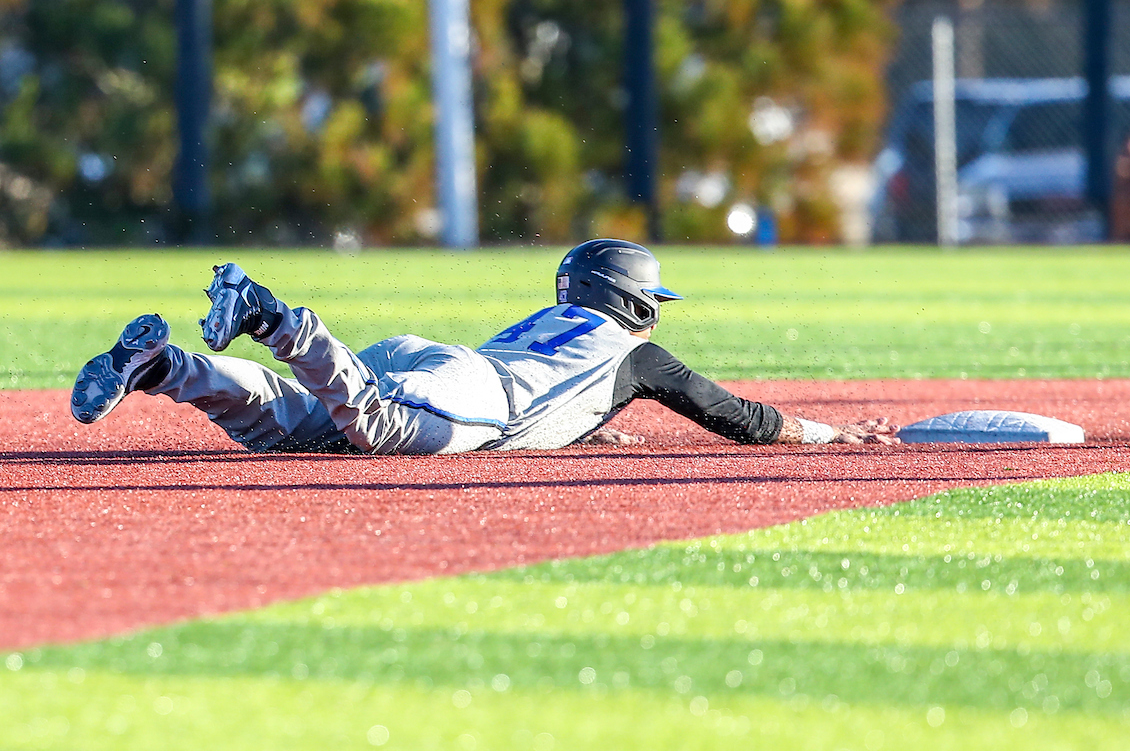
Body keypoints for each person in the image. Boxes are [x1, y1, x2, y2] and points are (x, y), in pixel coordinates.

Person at [70, 239, 900, 453]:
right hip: (474, 393)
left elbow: (560, 396)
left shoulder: (555, 328)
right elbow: (735, 415)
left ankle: (168, 367)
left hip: (443, 361)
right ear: (633, 300)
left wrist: (595, 427)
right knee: (375, 427)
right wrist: (828, 434)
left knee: (291, 423)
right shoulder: (633, 353)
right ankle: (275, 317)